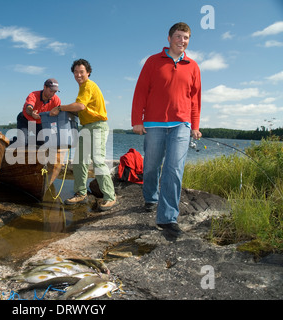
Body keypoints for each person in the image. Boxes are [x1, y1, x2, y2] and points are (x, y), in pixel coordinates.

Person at [131, 22, 202, 237]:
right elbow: (141, 91)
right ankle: (151, 197)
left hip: (181, 124)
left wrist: (195, 126)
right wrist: (137, 120)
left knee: (174, 168)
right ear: (169, 38)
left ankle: (167, 218)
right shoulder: (153, 62)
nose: (182, 41)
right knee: (151, 166)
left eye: (186, 38)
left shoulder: (193, 66)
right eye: (179, 36)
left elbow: (195, 99)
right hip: (153, 124)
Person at [49, 59, 117, 211]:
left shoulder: (88, 85)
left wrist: (60, 108)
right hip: (86, 127)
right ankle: (81, 193)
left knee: (98, 161)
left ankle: (110, 197)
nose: (78, 75)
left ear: (88, 72)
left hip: (97, 127)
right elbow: (81, 109)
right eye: (76, 72)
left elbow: (80, 105)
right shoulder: (83, 88)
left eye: (81, 72)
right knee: (79, 161)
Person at [15, 78, 61, 145]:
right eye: (51, 91)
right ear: (44, 87)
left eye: (55, 92)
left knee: (43, 144)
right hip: (25, 119)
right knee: (23, 143)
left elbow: (56, 118)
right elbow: (28, 108)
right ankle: (14, 141)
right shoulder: (33, 95)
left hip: (40, 123)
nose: (52, 94)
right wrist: (32, 113)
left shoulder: (56, 100)